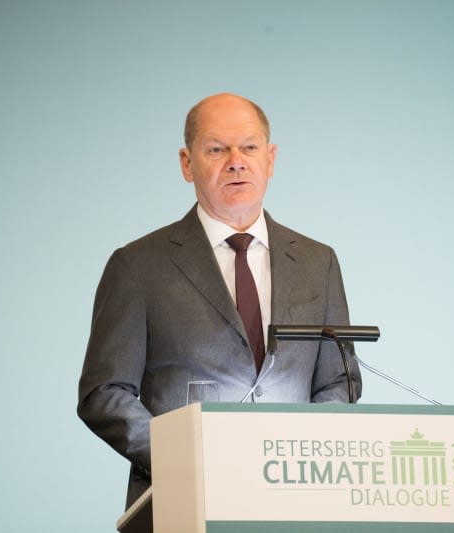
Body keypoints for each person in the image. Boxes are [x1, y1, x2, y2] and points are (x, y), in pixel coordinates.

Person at [77, 93, 361, 507]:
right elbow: (103, 392)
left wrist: (305, 459)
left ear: (270, 158)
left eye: (249, 147)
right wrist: (184, 459)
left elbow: (339, 380)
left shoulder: (319, 262)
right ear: (186, 163)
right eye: (216, 149)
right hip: (182, 502)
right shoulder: (137, 265)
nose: (236, 160)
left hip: (296, 504)